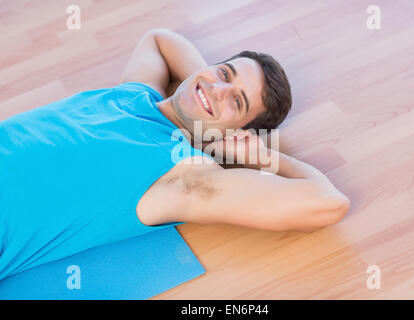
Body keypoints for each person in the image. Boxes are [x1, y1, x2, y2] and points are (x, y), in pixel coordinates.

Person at [0, 28, 349, 279]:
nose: (218, 90)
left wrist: (254, 155)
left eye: (237, 101)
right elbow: (160, 38)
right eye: (224, 73)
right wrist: (207, 89)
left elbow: (329, 201)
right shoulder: (136, 93)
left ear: (241, 132)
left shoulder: (185, 177)